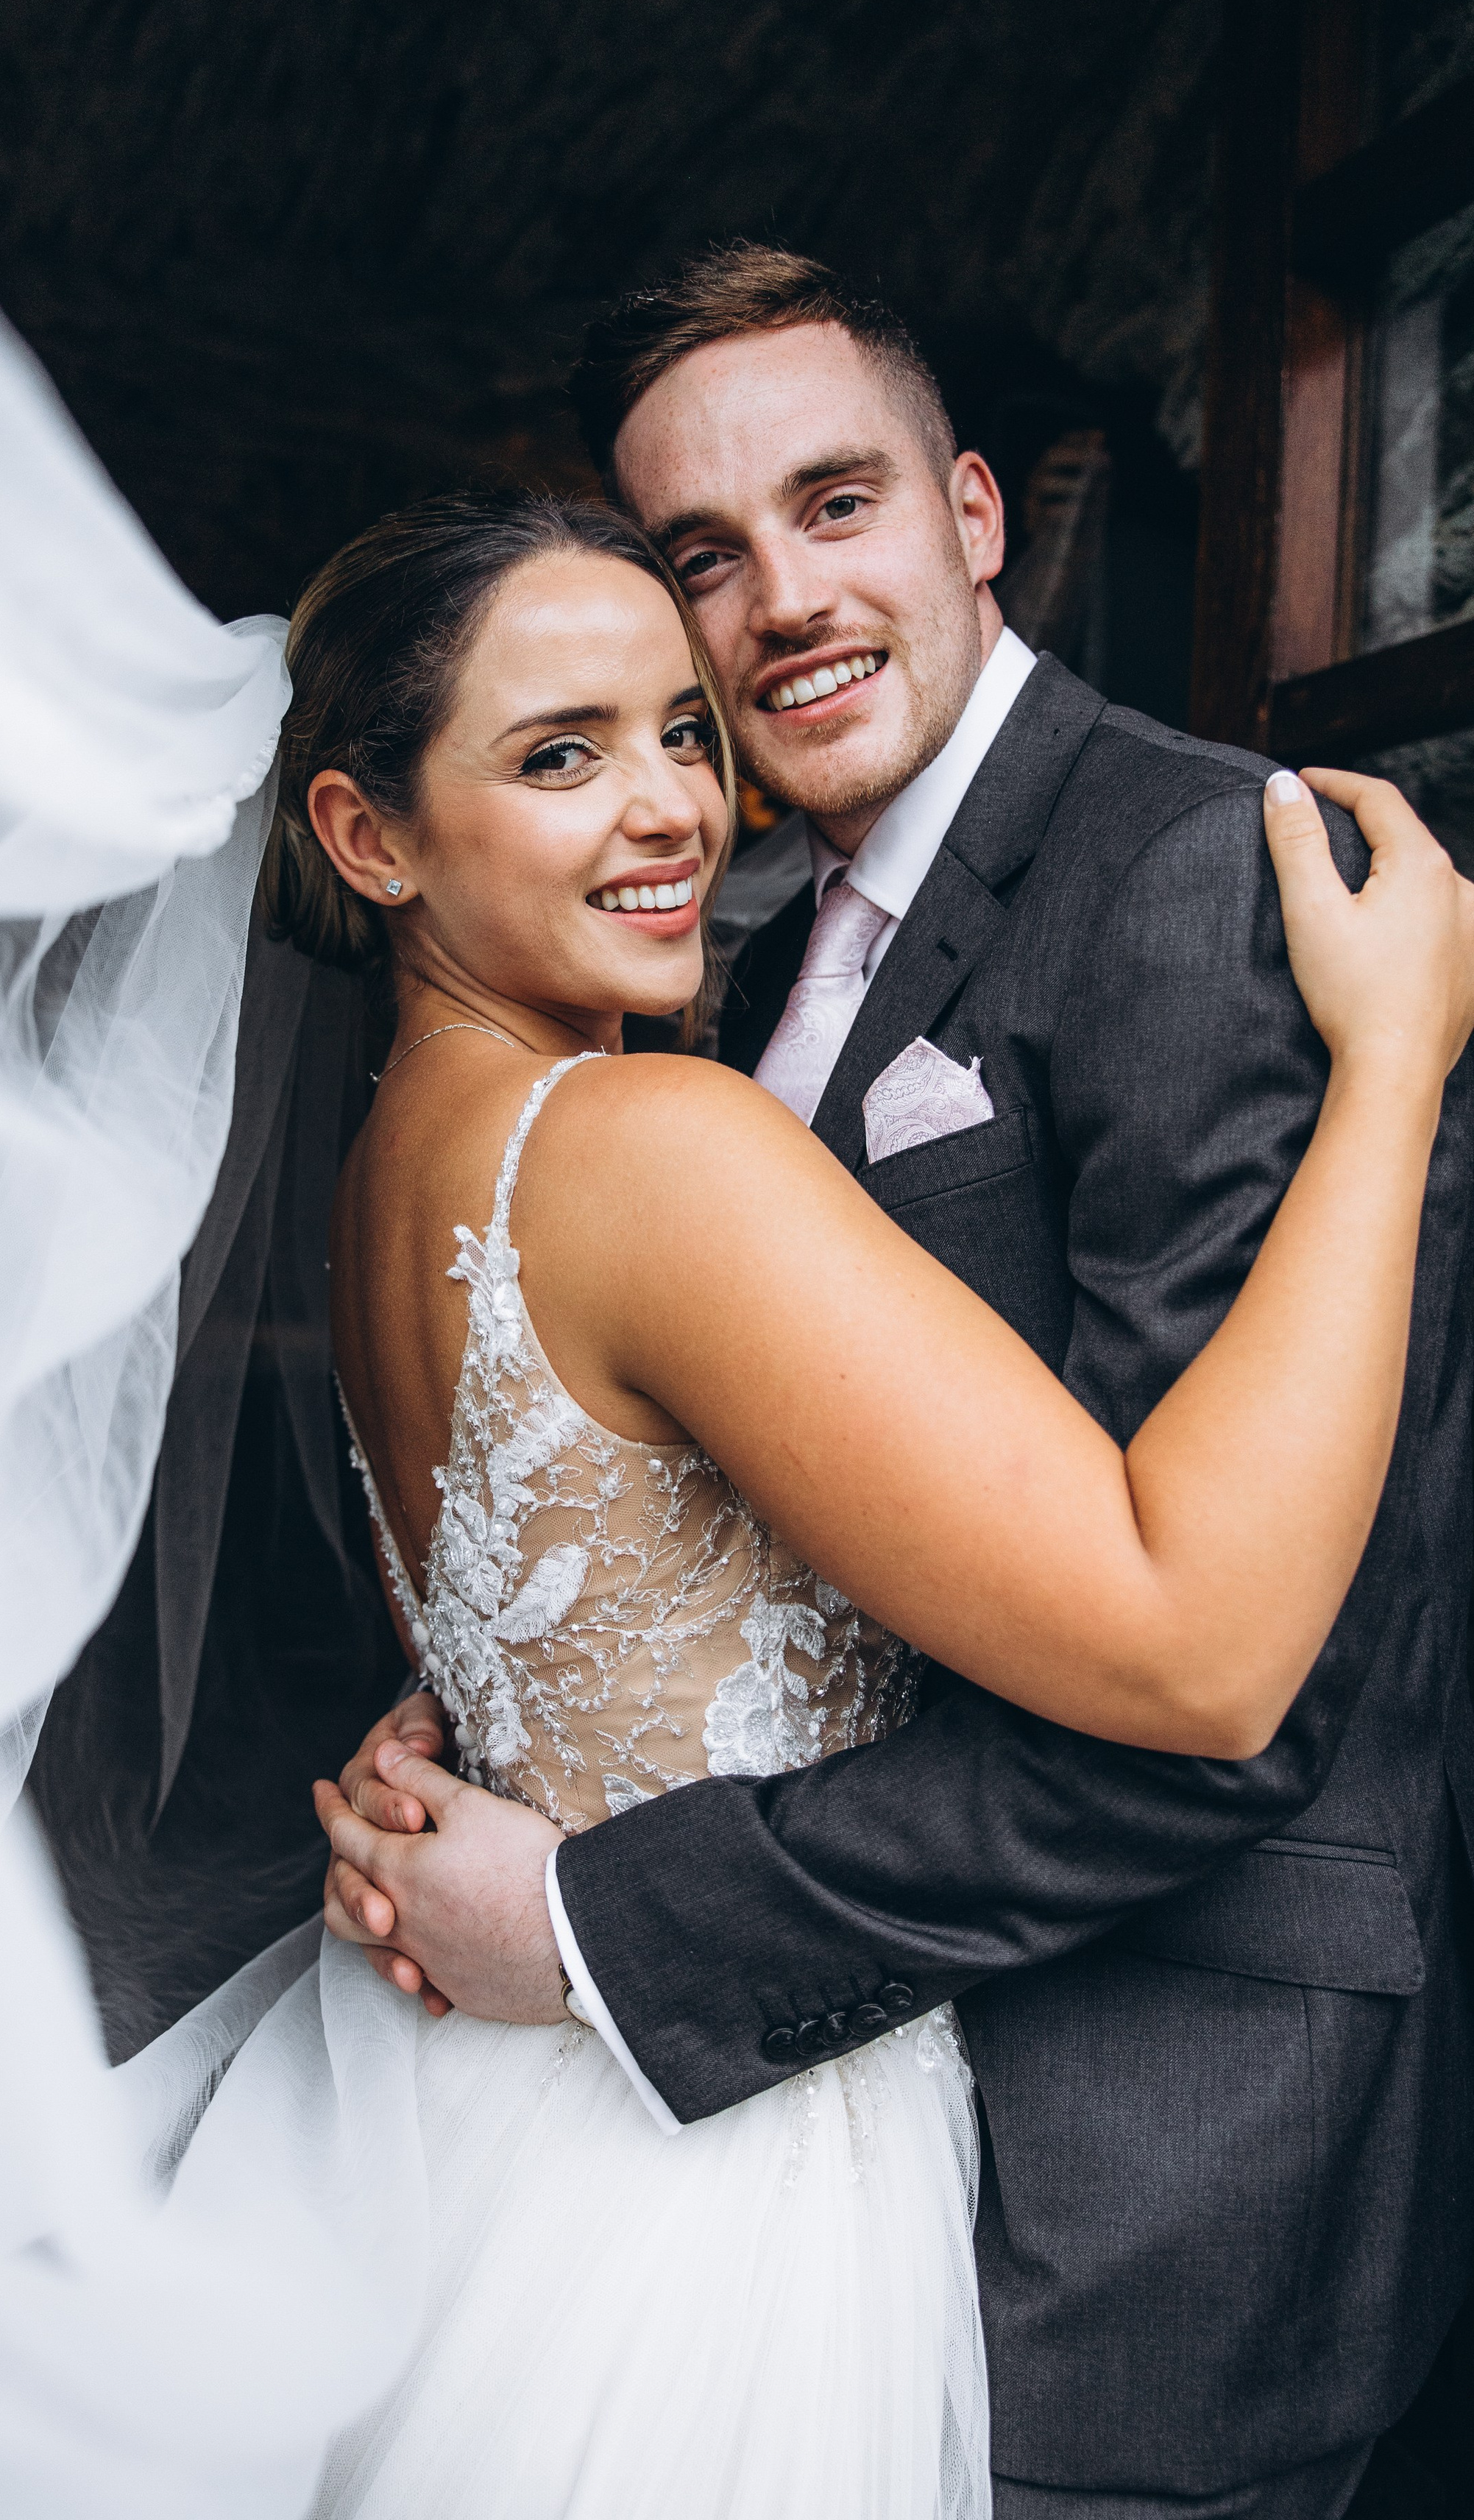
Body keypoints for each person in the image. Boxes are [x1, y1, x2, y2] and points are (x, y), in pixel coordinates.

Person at [168, 464, 1473, 2520]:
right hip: (721, 2187)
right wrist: (1395, 1073)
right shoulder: (646, 1144)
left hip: (474, 2115)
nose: (678, 805)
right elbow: (1203, 1650)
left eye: (683, 731)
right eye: (562, 754)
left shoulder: (384, 1167)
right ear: (370, 833)